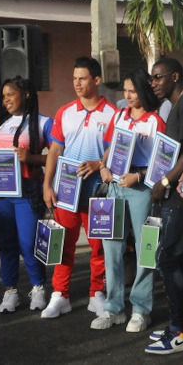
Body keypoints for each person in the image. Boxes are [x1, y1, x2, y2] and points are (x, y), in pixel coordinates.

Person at [40, 56, 116, 318]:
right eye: (74, 78)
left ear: (97, 80)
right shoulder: (64, 112)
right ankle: (60, 294)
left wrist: (99, 163)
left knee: (98, 247)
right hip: (66, 191)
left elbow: (116, 150)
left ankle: (97, 294)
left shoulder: (113, 114)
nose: (77, 83)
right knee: (63, 245)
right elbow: (55, 150)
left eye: (82, 78)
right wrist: (47, 184)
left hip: (98, 192)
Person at [90, 69, 165, 332]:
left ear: (144, 90)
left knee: (146, 248)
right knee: (111, 248)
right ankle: (114, 308)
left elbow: (162, 163)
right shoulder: (119, 115)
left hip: (141, 188)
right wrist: (103, 169)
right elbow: (108, 149)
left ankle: (141, 309)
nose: (127, 96)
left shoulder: (155, 121)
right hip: (114, 186)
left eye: (132, 91)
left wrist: (139, 176)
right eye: (125, 91)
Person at [144, 57, 183, 355]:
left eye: (158, 77)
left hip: (181, 199)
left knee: (168, 260)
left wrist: (165, 181)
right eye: (152, 78)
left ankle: (181, 330)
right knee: (175, 262)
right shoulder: (175, 106)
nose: (153, 83)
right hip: (171, 198)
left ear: (175, 76)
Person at [0, 76, 52, 313]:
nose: (5, 100)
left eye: (10, 94)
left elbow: (57, 156)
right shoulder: (0, 124)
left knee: (28, 242)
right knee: (8, 244)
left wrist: (30, 158)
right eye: (3, 96)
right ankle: (10, 291)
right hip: (0, 193)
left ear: (27, 94)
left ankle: (38, 286)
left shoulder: (43, 123)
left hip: (28, 191)